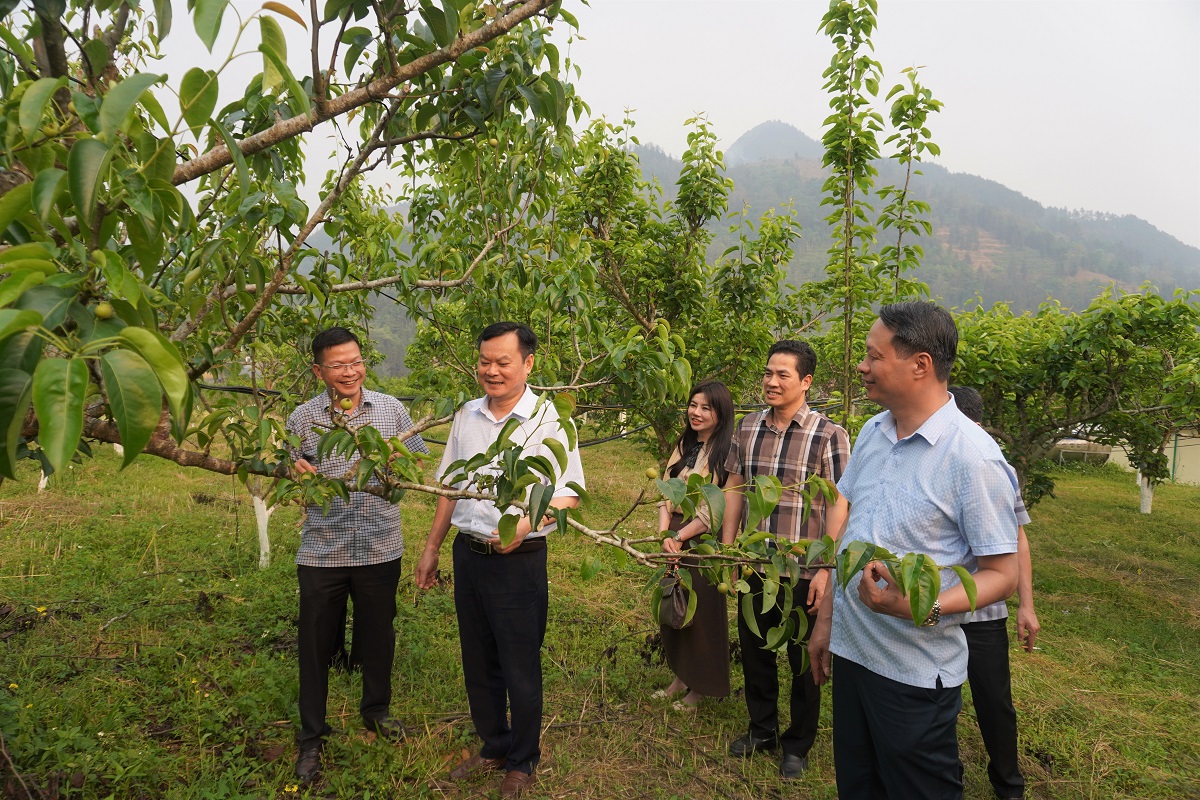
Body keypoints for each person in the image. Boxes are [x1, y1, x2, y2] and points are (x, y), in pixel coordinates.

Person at [809, 301, 1021, 800]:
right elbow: (854, 521)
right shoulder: (873, 432)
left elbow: (1002, 573)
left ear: (920, 364)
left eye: (872, 356)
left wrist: (920, 607)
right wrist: (826, 622)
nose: (861, 367)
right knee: (858, 787)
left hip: (913, 672)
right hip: (855, 655)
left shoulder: (973, 457)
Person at [415, 321, 585, 799]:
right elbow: (451, 486)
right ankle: (494, 743)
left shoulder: (549, 419)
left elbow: (569, 493)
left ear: (528, 363)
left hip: (519, 558)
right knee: (478, 657)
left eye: (503, 362)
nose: (491, 371)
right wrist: (431, 549)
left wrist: (525, 525)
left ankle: (522, 759)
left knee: (518, 662)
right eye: (485, 361)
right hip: (468, 555)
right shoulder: (466, 415)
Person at [286, 327, 430, 782]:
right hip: (321, 548)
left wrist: (396, 461)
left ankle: (376, 710)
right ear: (318, 371)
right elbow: (288, 466)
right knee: (313, 644)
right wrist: (292, 468)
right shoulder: (303, 417)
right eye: (338, 365)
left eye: (355, 362)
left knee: (377, 634)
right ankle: (312, 736)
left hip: (378, 544)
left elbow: (415, 464)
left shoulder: (390, 409)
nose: (349, 372)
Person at [720, 340, 850, 779]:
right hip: (755, 562)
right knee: (755, 649)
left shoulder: (829, 434)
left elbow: (838, 504)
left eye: (783, 375)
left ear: (806, 381)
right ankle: (762, 729)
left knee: (801, 657)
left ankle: (797, 744)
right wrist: (730, 548)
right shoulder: (747, 427)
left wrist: (826, 568)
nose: (771, 382)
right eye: (768, 373)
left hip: (801, 568)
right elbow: (735, 487)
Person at [948, 385, 1040, 800]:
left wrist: (1027, 605)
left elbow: (1017, 539)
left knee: (994, 702)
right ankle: (947, 776)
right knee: (939, 701)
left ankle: (1009, 784)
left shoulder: (992, 463)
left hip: (983, 615)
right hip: (934, 611)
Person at [656, 381, 735, 707]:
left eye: (706, 408)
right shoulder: (685, 445)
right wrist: (663, 535)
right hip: (672, 537)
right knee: (675, 608)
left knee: (701, 615)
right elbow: (664, 493)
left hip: (700, 540)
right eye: (693, 405)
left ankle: (700, 687)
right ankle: (681, 677)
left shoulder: (724, 452)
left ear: (721, 413)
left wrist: (678, 537)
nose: (696, 412)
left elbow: (713, 510)